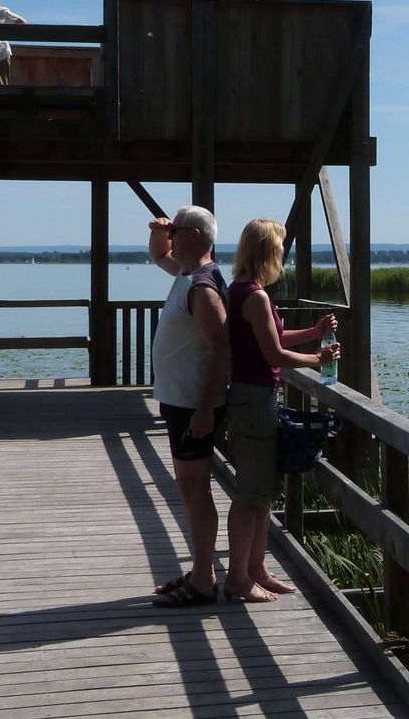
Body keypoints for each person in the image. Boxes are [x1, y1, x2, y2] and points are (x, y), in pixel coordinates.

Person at [223, 217, 338, 603]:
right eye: (279, 248)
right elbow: (272, 353)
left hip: (252, 397)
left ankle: (256, 568)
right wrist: (317, 359)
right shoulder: (253, 296)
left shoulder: (243, 291)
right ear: (267, 251)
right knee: (249, 493)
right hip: (254, 399)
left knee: (261, 491)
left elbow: (270, 338)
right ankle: (238, 579)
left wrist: (313, 333)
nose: (282, 257)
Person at [146, 205, 229, 607]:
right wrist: (159, 230)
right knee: (188, 487)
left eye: (176, 230)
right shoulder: (185, 273)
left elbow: (220, 350)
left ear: (194, 236)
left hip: (193, 406)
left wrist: (205, 409)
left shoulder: (202, 286)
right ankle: (202, 570)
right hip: (179, 403)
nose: (170, 236)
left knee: (196, 490)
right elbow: (158, 255)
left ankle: (202, 581)